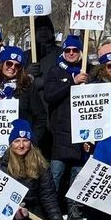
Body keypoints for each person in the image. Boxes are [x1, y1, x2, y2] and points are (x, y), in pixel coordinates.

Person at [0, 119, 72, 220]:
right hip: (9, 213)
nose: (21, 145)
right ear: (11, 144)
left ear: (31, 143)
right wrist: (11, 209)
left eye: (25, 140)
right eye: (17, 141)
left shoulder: (41, 165)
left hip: (32, 211)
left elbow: (48, 196)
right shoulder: (1, 167)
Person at [42, 35, 90, 208]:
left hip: (81, 131)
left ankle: (74, 208)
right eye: (67, 50)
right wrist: (72, 82)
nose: (71, 53)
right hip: (59, 131)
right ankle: (51, 208)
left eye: (75, 50)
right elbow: (50, 96)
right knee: (55, 173)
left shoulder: (87, 71)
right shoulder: (56, 71)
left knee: (78, 174)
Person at [0, 45, 47, 145]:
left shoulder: (27, 88)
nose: (12, 68)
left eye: (17, 65)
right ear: (2, 64)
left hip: (19, 146)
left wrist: (31, 140)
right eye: (9, 63)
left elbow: (40, 117)